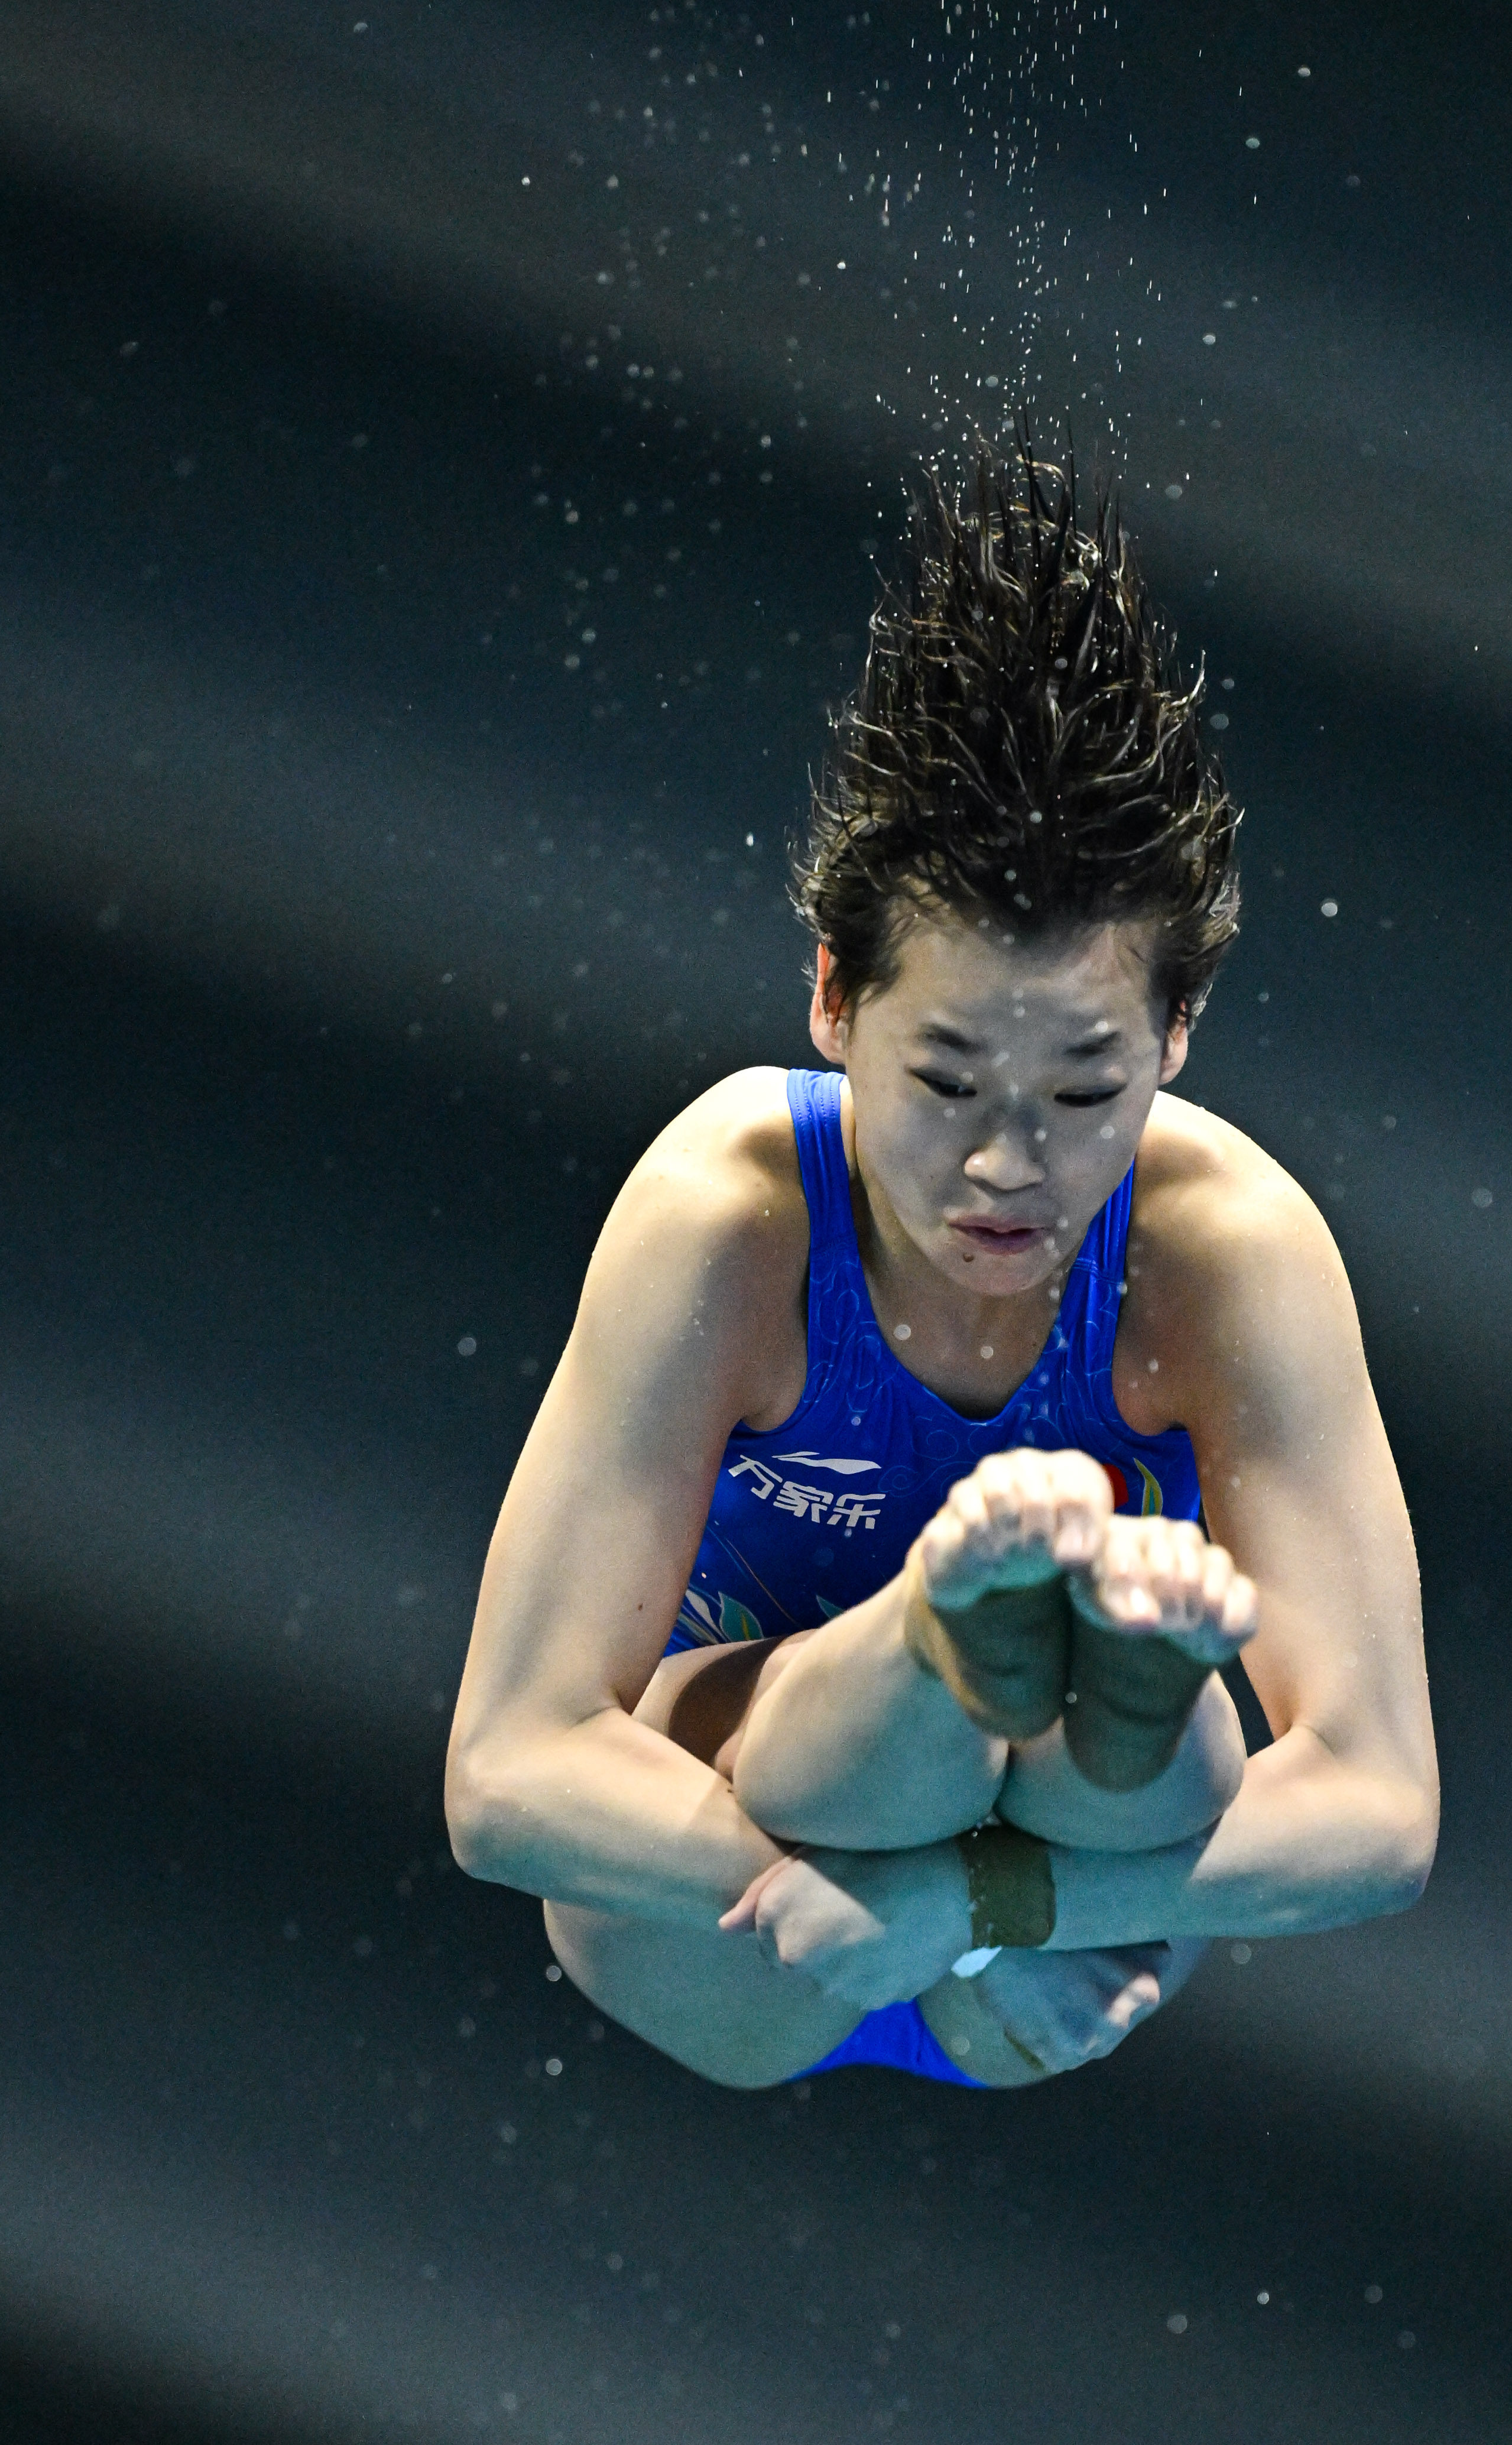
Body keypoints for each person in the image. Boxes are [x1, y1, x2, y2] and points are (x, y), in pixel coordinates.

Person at [446, 447, 1438, 2089]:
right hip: (724, 1912)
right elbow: (508, 1777)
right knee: (899, 1728)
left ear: (1179, 1036)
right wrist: (934, 1904)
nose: (1006, 1166)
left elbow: (1383, 1809)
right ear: (835, 1000)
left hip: (1041, 1940)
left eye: (1081, 1094)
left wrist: (983, 1909)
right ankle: (945, 1639)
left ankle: (1059, 1663)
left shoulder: (1231, 1252)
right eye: (948, 1081)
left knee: (1162, 1728)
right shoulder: (730, 1211)